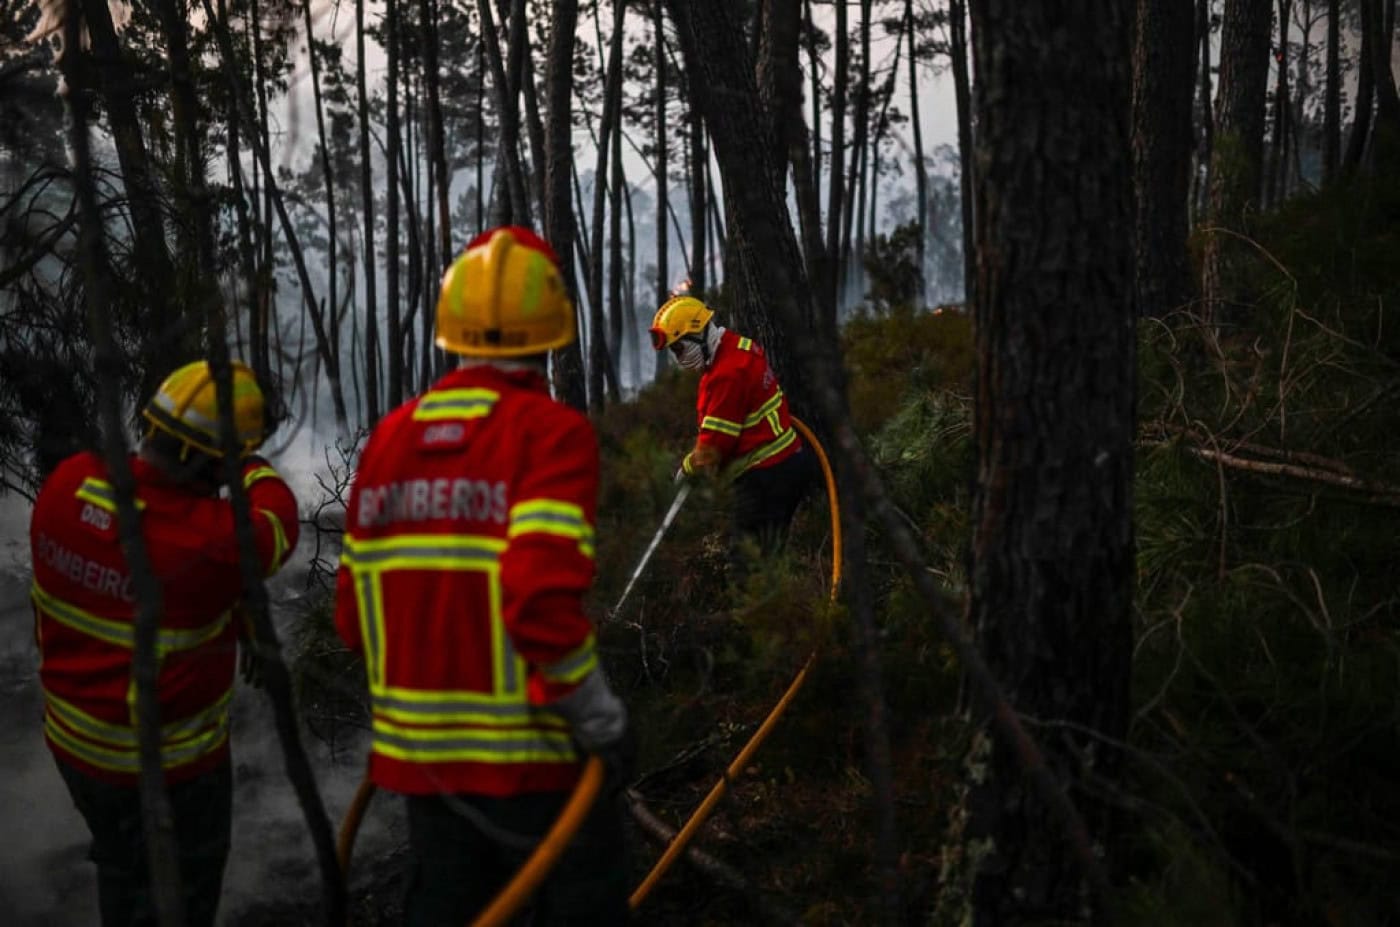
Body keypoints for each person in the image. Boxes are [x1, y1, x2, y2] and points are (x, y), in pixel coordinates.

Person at [334, 225, 633, 926]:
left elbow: (352, 619)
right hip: (534, 764)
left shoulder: (389, 438)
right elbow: (538, 606)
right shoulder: (550, 434)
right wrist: (604, 721)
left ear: (452, 330)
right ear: (551, 332)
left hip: (422, 765)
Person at [30, 359, 299, 927]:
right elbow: (278, 524)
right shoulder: (207, 543)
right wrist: (252, 464)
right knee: (180, 901)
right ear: (217, 461)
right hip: (169, 774)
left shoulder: (65, 484)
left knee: (122, 868)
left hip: (73, 748)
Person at [649, 295, 819, 570]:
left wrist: (687, 469)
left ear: (698, 334)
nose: (679, 359)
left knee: (746, 568)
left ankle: (777, 598)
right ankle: (787, 594)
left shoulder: (726, 375)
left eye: (680, 349)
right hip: (786, 465)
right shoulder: (738, 347)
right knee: (768, 558)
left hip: (766, 477)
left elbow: (714, 447)